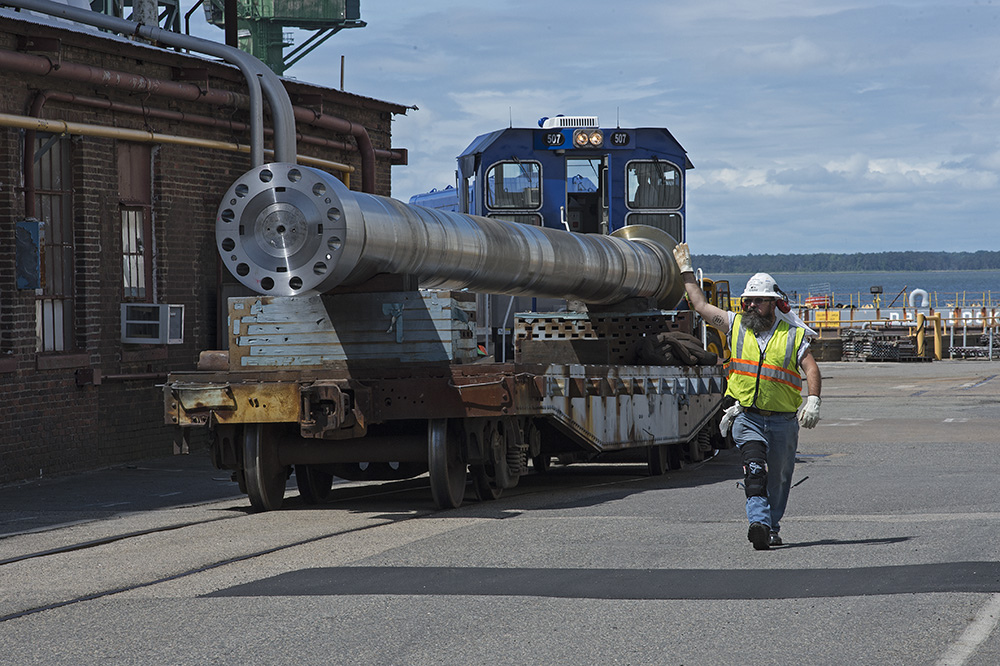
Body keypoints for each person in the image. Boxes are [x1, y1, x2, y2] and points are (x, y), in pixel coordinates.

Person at [672, 242, 822, 550]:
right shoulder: (735, 325)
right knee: (754, 471)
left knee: (779, 479)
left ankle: (772, 526)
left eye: (758, 301)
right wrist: (686, 270)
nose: (751, 305)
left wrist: (814, 400)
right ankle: (759, 523)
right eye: (748, 300)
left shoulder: (793, 336)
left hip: (782, 421)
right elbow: (700, 305)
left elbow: (811, 369)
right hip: (746, 417)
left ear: (773, 303)